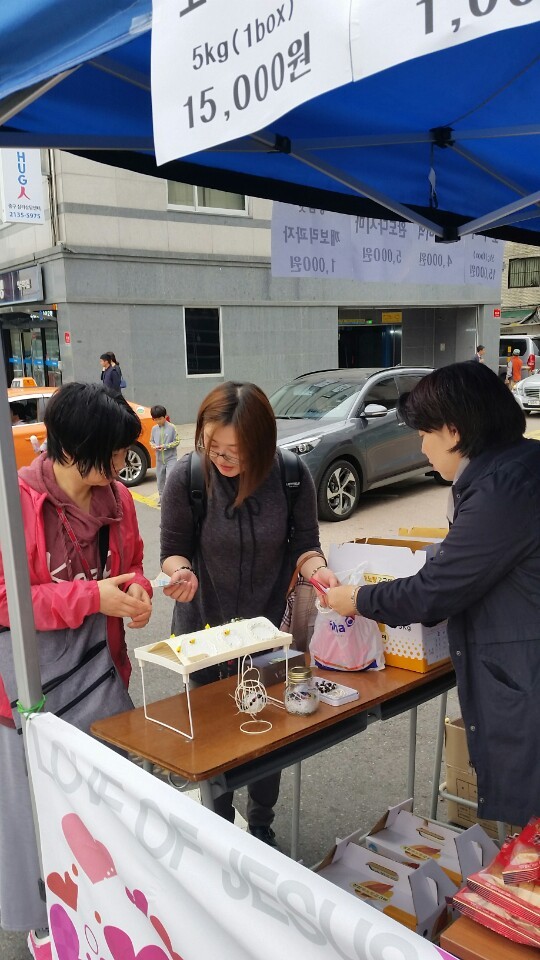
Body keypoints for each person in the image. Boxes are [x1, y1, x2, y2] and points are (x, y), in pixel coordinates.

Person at [325, 361, 540, 828]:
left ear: (454, 430)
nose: (421, 445)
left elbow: (434, 592)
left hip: (526, 675)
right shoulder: (520, 464)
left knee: (531, 836)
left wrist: (357, 599)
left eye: (424, 433)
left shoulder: (502, 489)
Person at [0, 383, 152, 958]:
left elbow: (132, 566)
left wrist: (137, 594)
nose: (119, 465)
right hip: (28, 692)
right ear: (69, 450)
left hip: (98, 676)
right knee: (35, 813)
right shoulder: (16, 503)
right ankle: (45, 922)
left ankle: (104, 911)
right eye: (110, 454)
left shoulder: (120, 500)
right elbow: (6, 600)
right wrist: (92, 597)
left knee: (101, 806)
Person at [160, 381, 337, 847]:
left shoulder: (291, 476)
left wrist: (319, 570)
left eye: (234, 451)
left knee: (266, 732)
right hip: (203, 635)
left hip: (268, 635)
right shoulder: (187, 477)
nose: (221, 458)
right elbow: (174, 550)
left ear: (262, 442)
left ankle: (260, 824)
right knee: (212, 740)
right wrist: (180, 572)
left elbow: (305, 546)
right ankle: (217, 829)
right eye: (212, 446)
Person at [150, 405, 180, 505]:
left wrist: (166, 446)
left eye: (160, 418)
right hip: (159, 459)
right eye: (155, 419)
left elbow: (177, 441)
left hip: (171, 458)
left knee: (170, 478)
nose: (158, 421)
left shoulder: (172, 427)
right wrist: (153, 446)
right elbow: (151, 441)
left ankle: (171, 498)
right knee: (160, 480)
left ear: (165, 416)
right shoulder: (154, 429)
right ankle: (162, 498)